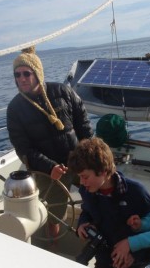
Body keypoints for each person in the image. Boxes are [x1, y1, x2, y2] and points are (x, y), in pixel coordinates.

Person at [7, 46, 93, 236]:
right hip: (50, 172)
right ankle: (53, 245)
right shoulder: (15, 109)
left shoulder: (63, 91)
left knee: (97, 197)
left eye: (26, 74)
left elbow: (83, 124)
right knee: (55, 214)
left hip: (79, 161)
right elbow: (23, 148)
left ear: (37, 73)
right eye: (17, 75)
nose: (21, 79)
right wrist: (49, 167)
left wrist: (87, 155)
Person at [67, 137, 150, 268]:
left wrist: (134, 255)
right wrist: (82, 223)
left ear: (102, 171)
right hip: (105, 263)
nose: (82, 183)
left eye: (85, 177)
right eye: (80, 178)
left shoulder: (136, 193)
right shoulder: (88, 191)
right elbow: (86, 211)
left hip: (132, 265)